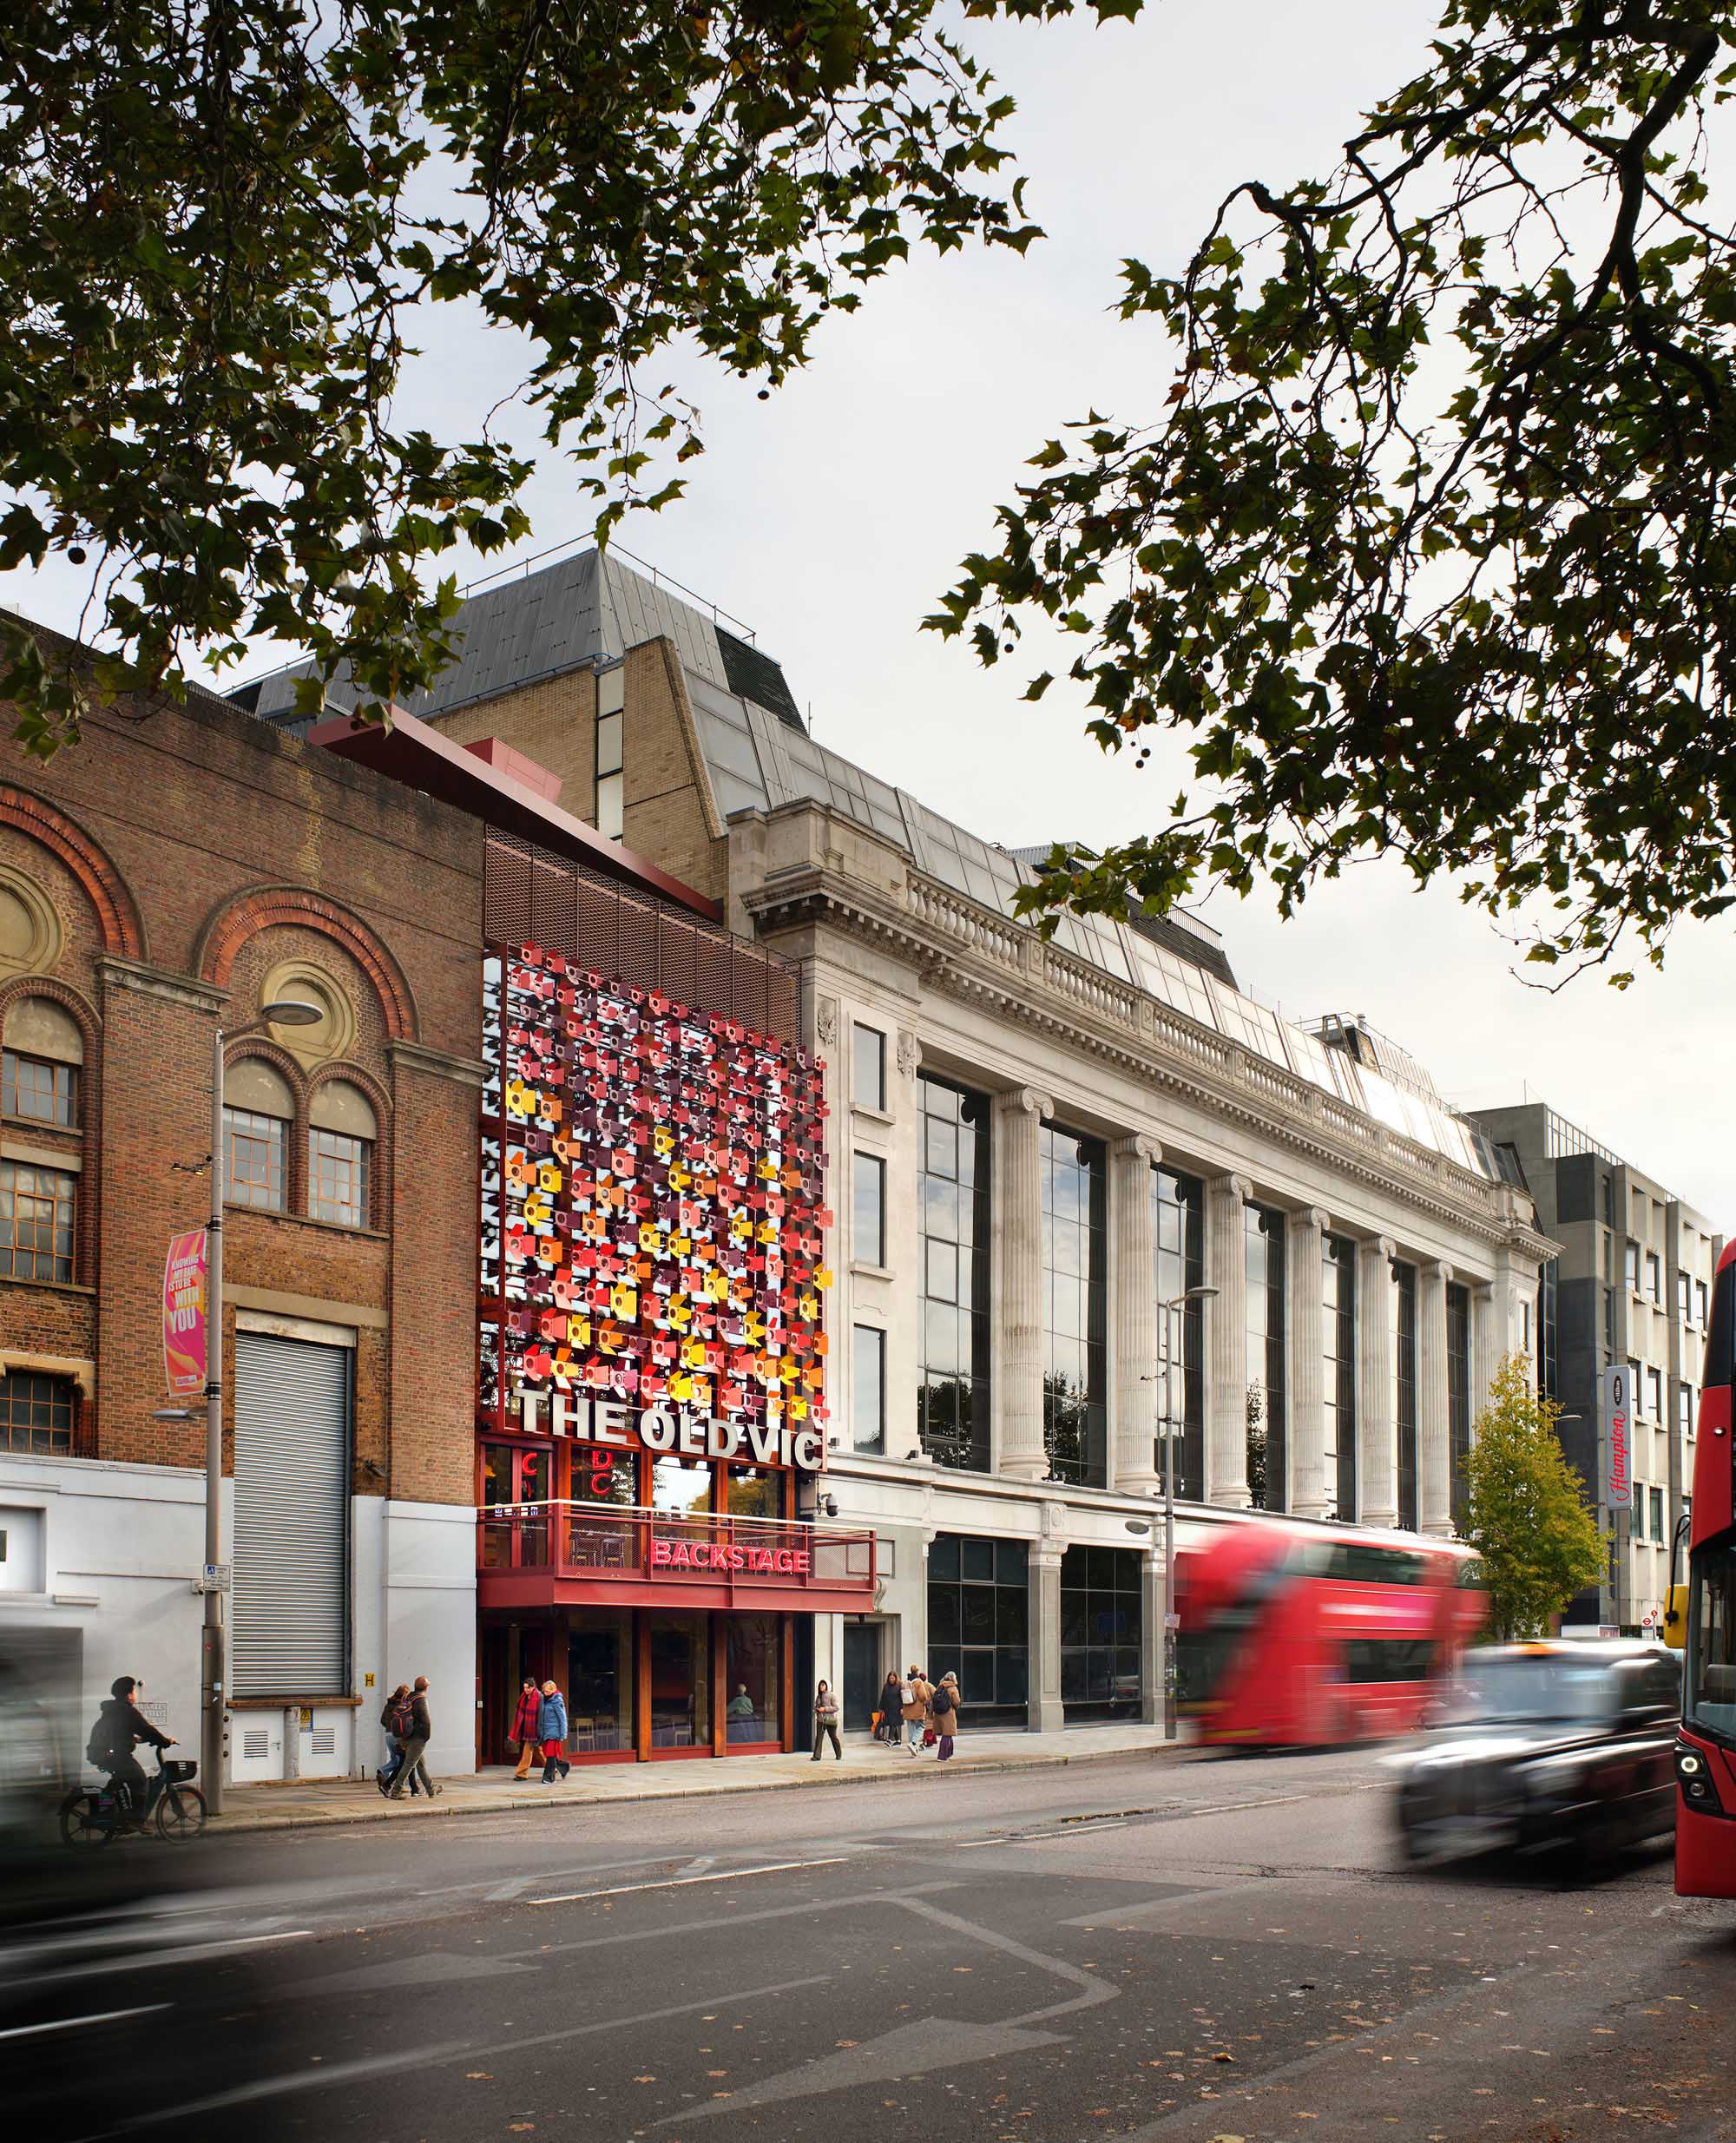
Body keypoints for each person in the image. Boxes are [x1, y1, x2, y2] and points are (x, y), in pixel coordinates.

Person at [87, 1675, 174, 1823]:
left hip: (100, 1752)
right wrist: (165, 1741)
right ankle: (136, 1819)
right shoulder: (126, 1711)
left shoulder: (113, 1709)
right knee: (140, 1780)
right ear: (128, 1694)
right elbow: (147, 1729)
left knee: (118, 1781)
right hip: (115, 1755)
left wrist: (135, 1739)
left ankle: (107, 1809)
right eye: (134, 1692)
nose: (135, 1695)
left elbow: (116, 1732)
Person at [387, 1674, 438, 1799]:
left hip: (405, 1736)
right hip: (417, 1739)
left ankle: (431, 1789)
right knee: (409, 1764)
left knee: (420, 1764)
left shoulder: (409, 1697)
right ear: (426, 1687)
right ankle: (396, 1791)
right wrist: (426, 1738)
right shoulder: (421, 1699)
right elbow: (426, 1721)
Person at [377, 1683, 419, 1798]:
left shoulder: (389, 1704)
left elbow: (382, 1720)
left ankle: (411, 1787)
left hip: (388, 1735)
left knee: (398, 1761)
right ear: (405, 1694)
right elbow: (407, 1722)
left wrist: (390, 1727)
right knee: (406, 1762)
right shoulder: (403, 1705)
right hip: (398, 1737)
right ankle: (390, 1783)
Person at [536, 1678, 570, 1783]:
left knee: (550, 1755)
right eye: (544, 1691)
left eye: (548, 1691)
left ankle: (548, 1778)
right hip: (546, 1731)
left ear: (553, 1690)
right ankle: (564, 1767)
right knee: (549, 1754)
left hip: (554, 1731)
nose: (546, 1693)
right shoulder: (543, 1700)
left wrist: (563, 1734)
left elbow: (562, 1718)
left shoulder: (557, 1700)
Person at [510, 1676, 542, 1781]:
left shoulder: (539, 1697)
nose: (525, 1690)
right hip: (527, 1729)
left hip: (534, 1730)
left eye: (528, 1688)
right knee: (539, 1751)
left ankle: (522, 1774)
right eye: (524, 1688)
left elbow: (541, 1715)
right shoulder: (524, 1697)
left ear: (533, 1687)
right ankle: (555, 1767)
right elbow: (520, 1712)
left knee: (527, 1751)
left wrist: (540, 1730)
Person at [901, 1665, 931, 1757]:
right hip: (917, 1709)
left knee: (911, 1728)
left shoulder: (906, 1681)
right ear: (917, 1672)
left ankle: (913, 1749)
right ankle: (913, 1743)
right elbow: (923, 1696)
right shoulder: (919, 1682)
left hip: (907, 1708)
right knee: (921, 1726)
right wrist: (926, 1702)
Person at [931, 1671, 961, 1762]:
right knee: (947, 1734)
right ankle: (942, 1756)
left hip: (938, 1713)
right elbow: (956, 1702)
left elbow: (933, 1701)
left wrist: (931, 1713)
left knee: (948, 1734)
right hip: (948, 1714)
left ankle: (949, 1753)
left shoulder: (940, 1687)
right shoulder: (953, 1688)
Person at [811, 1679, 843, 1762]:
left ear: (827, 1686)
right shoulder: (818, 1696)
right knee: (819, 1738)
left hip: (830, 1719)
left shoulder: (832, 1695)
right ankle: (817, 1756)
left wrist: (824, 1709)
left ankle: (839, 1754)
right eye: (820, 1685)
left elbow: (836, 1708)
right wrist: (816, 1710)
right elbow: (816, 1706)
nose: (821, 1687)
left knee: (833, 1737)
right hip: (821, 1720)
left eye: (823, 1685)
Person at [877, 1670, 904, 1746]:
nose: (891, 1680)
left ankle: (889, 1740)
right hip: (888, 1708)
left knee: (893, 1723)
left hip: (897, 1708)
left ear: (896, 1678)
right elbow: (883, 1697)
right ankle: (898, 1740)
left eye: (893, 1678)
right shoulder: (886, 1686)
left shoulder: (899, 1686)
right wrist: (881, 1708)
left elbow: (902, 1698)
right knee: (892, 1723)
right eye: (890, 1678)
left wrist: (902, 1708)